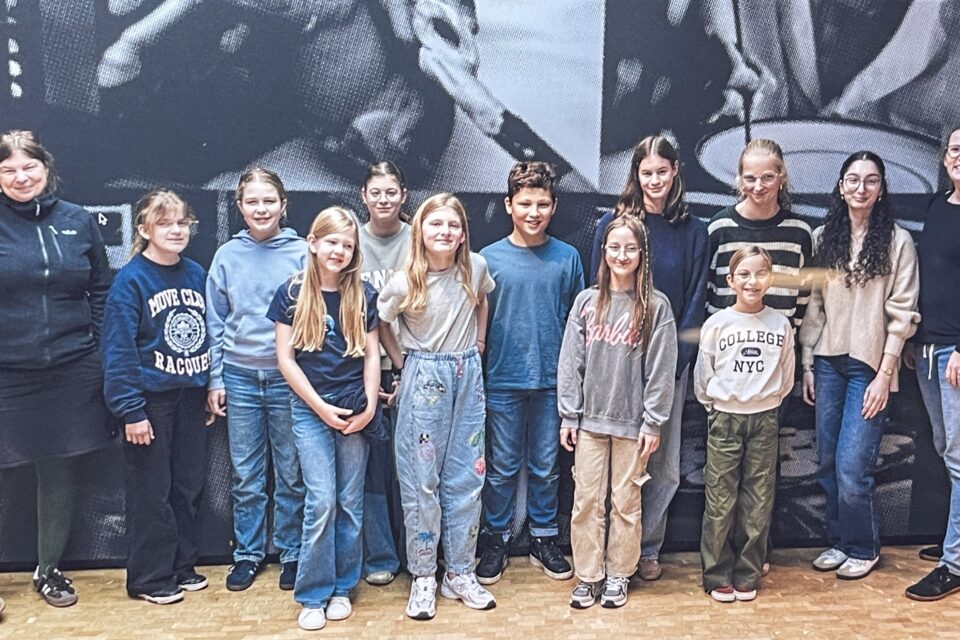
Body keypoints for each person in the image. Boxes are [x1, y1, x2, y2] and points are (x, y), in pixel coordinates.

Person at [0, 130, 113, 607]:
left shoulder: (77, 221)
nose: (20, 177)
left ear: (46, 171)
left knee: (58, 471)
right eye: (8, 170)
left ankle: (48, 572)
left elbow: (102, 290)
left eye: (30, 168)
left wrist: (97, 350)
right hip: (8, 371)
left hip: (70, 369)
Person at [589, 135, 708, 580]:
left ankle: (645, 546)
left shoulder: (694, 231)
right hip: (613, 365)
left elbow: (696, 301)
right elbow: (594, 293)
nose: (654, 180)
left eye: (662, 171)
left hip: (667, 367)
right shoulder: (612, 225)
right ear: (635, 175)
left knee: (662, 466)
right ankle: (604, 548)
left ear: (675, 172)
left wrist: (676, 362)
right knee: (607, 463)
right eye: (646, 172)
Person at [800, 151, 919, 580]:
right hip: (828, 362)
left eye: (870, 181)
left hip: (869, 366)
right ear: (840, 186)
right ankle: (839, 541)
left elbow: (902, 313)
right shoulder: (822, 237)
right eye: (853, 180)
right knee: (828, 461)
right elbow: (814, 305)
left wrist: (886, 375)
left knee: (854, 465)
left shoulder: (897, 241)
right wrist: (808, 363)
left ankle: (864, 547)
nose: (861, 188)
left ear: (881, 188)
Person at [377, 193, 496, 620]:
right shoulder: (405, 279)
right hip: (423, 377)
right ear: (420, 231)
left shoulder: (476, 267)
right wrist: (400, 360)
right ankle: (425, 574)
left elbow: (482, 299)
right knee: (421, 480)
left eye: (453, 225)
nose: (445, 232)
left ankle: (460, 571)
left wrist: (479, 343)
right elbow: (380, 320)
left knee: (468, 477)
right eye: (436, 224)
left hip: (466, 373)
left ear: (463, 232)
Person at [268, 207, 381, 631]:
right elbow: (285, 359)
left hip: (355, 407)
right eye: (332, 241)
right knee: (321, 500)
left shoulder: (363, 293)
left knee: (350, 503)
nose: (339, 250)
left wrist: (369, 405)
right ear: (312, 243)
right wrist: (319, 408)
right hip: (311, 410)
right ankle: (312, 593)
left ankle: (342, 587)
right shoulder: (292, 292)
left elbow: (372, 354)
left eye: (347, 245)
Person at [559, 215, 677, 609]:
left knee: (626, 502)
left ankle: (618, 575)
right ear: (604, 251)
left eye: (630, 248)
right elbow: (570, 363)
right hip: (590, 422)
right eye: (614, 247)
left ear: (642, 254)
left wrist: (653, 420)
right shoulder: (586, 302)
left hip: (632, 425)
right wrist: (568, 414)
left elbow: (661, 370)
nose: (622, 255)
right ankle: (588, 575)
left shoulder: (656, 307)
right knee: (586, 500)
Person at [475, 161, 582, 584]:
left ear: (553, 207)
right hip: (502, 380)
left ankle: (543, 536)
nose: (533, 212)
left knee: (545, 467)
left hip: (552, 383)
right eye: (525, 203)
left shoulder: (567, 258)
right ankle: (496, 539)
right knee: (501, 468)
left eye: (542, 204)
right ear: (509, 205)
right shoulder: (488, 260)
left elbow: (579, 323)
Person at [103, 189, 211, 605]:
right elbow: (118, 351)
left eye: (182, 223)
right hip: (149, 401)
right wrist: (130, 410)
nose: (176, 230)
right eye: (165, 223)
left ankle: (181, 565)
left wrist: (206, 387)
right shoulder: (130, 280)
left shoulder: (197, 274)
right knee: (151, 490)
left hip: (189, 397)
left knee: (185, 486)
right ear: (144, 229)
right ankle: (149, 577)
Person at [205, 168, 307, 592]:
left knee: (291, 471)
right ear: (240, 207)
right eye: (252, 201)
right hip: (241, 377)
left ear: (283, 205)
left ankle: (292, 552)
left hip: (288, 378)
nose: (261, 208)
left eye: (269, 200)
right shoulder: (227, 256)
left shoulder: (303, 252)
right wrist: (215, 379)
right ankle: (247, 553)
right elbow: (215, 320)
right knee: (246, 474)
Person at [695, 246, 795, 603]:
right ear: (730, 280)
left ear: (770, 279)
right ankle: (717, 573)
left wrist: (765, 401)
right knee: (720, 499)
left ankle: (748, 572)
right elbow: (703, 375)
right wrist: (717, 406)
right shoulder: (718, 324)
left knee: (758, 500)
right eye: (744, 275)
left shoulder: (780, 324)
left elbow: (786, 376)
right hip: (724, 417)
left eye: (760, 274)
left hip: (765, 417)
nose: (752, 282)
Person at [904, 128, 960, 601]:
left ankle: (955, 561)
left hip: (956, 353)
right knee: (945, 448)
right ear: (944, 158)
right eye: (956, 149)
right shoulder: (939, 206)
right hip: (927, 349)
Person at [357, 161, 410, 587]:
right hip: (366, 370)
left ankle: (419, 554)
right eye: (376, 193)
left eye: (391, 192)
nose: (383, 200)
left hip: (418, 368)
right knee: (374, 469)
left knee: (413, 468)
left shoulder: (420, 239)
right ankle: (380, 555)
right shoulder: (351, 241)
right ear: (364, 196)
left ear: (403, 195)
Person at [707, 138, 813, 327]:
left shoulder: (799, 233)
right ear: (739, 180)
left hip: (778, 348)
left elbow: (803, 297)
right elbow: (706, 291)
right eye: (750, 178)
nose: (758, 186)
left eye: (767, 177)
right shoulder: (719, 228)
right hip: (726, 347)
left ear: (782, 177)